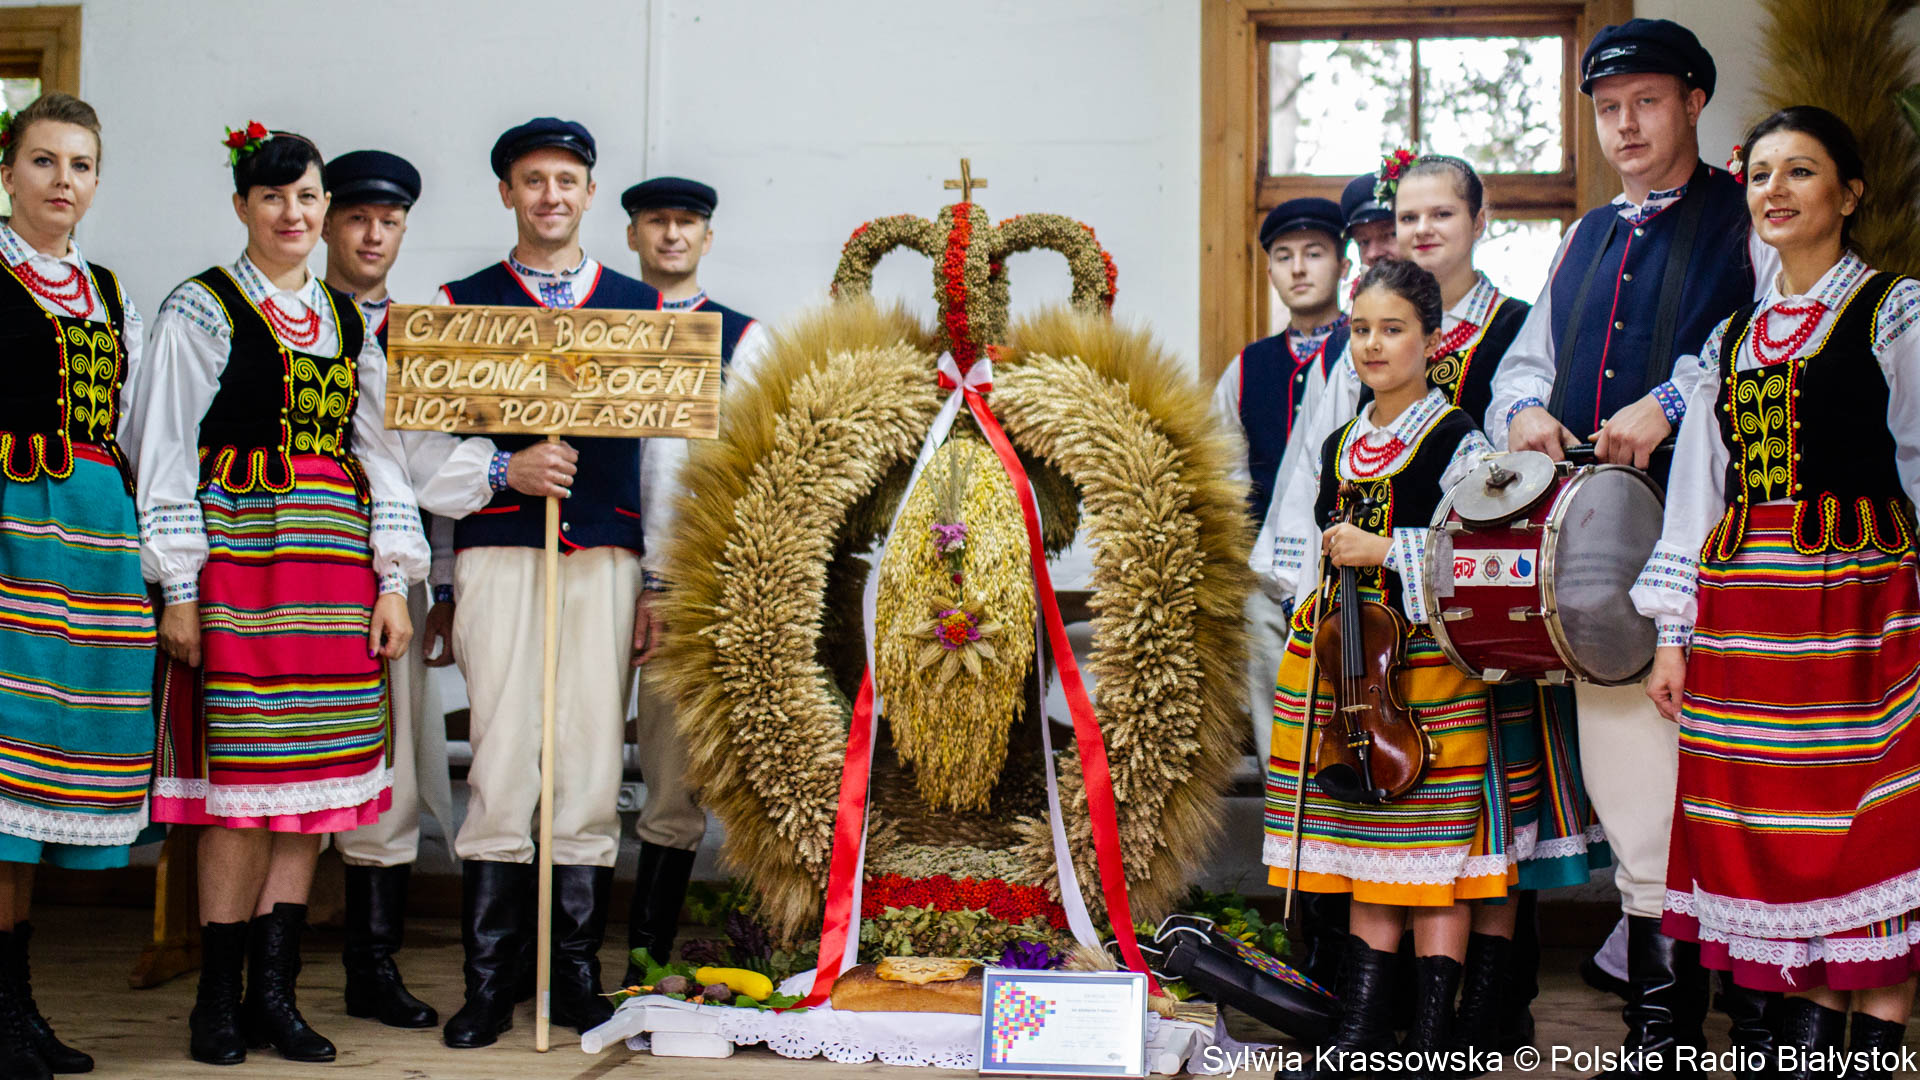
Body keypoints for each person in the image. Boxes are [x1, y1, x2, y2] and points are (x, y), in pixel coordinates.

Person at [1480, 20, 1780, 1073]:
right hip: (1605, 569)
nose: (1626, 126)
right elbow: (1527, 364)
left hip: (1730, 562)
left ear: (1695, 103)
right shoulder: (1582, 238)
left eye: (1647, 103)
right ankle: (1661, 1045)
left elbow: (1759, 345)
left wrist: (1664, 401)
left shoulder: (1748, 218)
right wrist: (1522, 413)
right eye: (1610, 110)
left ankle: (1760, 1040)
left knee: (1744, 808)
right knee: (1640, 814)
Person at [133, 125, 429, 1066]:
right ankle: (216, 1001)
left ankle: (274, 994)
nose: (293, 215)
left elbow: (381, 458)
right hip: (241, 565)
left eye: (306, 199)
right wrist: (179, 588)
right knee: (240, 791)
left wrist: (394, 582)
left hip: (332, 570)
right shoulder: (204, 307)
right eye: (273, 199)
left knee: (313, 795)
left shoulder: (349, 322)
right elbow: (164, 453)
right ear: (242, 209)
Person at [1634, 106, 1920, 1078]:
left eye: (1801, 172)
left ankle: (1869, 1053)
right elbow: (1696, 494)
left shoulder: (1895, 311)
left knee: (1870, 839)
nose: (1777, 192)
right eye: (1761, 175)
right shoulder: (1731, 340)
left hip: (1862, 619)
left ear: (1850, 193)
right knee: (1769, 845)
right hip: (1748, 628)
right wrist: (1674, 631)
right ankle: (1806, 1054)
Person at [406, 117, 664, 1049]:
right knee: (507, 754)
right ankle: (490, 981)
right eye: (531, 179)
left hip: (604, 554)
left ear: (591, 193)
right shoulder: (456, 307)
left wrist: (660, 581)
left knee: (592, 759)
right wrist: (502, 473)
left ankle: (575, 979)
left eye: (567, 179)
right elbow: (419, 446)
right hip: (501, 550)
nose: (550, 194)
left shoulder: (642, 311)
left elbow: (667, 460)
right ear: (506, 192)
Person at [1264, 258, 1499, 1078]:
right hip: (1355, 676)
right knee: (1370, 850)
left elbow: (1478, 553)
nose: (1372, 344)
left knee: (1435, 859)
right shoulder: (1340, 442)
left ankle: (1431, 1042)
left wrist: (1387, 550)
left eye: (1393, 329)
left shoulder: (1459, 437)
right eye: (1360, 329)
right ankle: (1364, 1031)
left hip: (1428, 672)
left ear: (1434, 341)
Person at [0, 93, 151, 1080]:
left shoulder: (105, 291)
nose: (63, 180)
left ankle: (17, 1005)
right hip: (11, 525)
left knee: (49, 773)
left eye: (81, 165)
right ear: (8, 172)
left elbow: (137, 429)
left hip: (92, 535)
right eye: (45, 160)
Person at [320, 147, 458, 1031]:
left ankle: (371, 967)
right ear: (327, 220)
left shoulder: (419, 332)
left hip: (390, 580)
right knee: (278, 764)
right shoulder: (287, 315)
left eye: (391, 221)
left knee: (395, 765)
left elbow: (432, 467)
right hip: (286, 562)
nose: (374, 235)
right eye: (359, 218)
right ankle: (258, 968)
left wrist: (434, 583)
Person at [617, 175, 767, 985]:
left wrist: (686, 581)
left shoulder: (741, 340)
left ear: (707, 238)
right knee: (560, 768)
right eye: (655, 222)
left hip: (685, 585)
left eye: (687, 223)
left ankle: (645, 956)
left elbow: (749, 473)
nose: (671, 235)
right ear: (633, 234)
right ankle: (551, 955)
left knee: (673, 780)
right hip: (592, 565)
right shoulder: (599, 325)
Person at [1215, 197, 1350, 765]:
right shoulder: (1248, 368)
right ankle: (1285, 818)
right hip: (1270, 570)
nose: (1299, 268)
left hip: (1353, 558)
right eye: (1284, 256)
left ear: (1342, 264)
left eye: (1314, 253)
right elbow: (1227, 473)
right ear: (1268, 270)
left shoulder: (1366, 345)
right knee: (1278, 696)